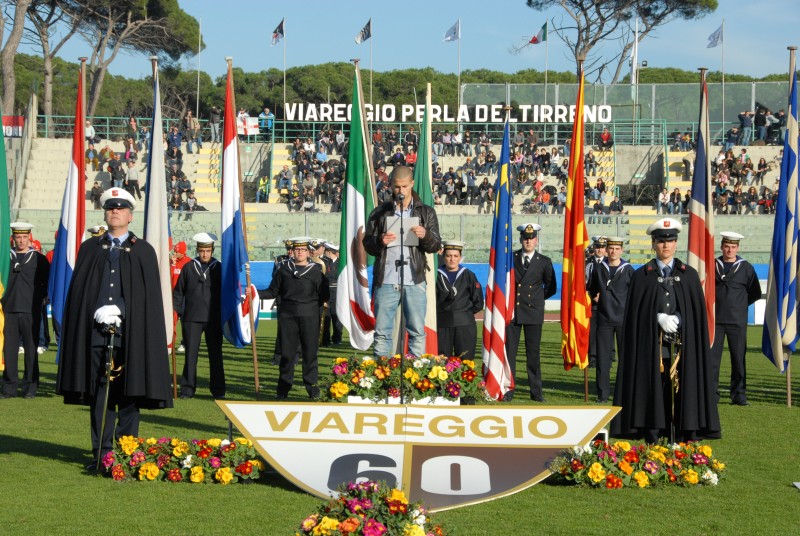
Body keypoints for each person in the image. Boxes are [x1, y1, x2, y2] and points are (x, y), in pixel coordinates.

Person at [56, 188, 172, 470]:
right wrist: (96, 310)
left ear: (130, 216)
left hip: (131, 335)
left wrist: (122, 308)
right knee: (100, 394)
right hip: (97, 335)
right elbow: (81, 294)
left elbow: (147, 299)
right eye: (110, 209)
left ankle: (126, 451)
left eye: (120, 209)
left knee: (130, 394)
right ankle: (101, 452)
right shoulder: (90, 248)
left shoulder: (143, 250)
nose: (115, 212)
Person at [611, 218, 721, 443]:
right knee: (654, 389)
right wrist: (656, 317)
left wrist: (680, 318)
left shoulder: (688, 274)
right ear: (653, 244)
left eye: (670, 241)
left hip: (683, 346)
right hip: (653, 348)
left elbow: (696, 313)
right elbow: (634, 315)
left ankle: (682, 436)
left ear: (676, 244)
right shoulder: (642, 276)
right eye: (661, 241)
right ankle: (652, 435)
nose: (666, 245)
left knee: (684, 390)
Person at [363, 165, 442, 358]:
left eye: (404, 186)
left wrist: (425, 235)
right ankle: (381, 376)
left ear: (412, 184)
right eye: (397, 187)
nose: (400, 191)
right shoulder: (380, 213)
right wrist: (380, 241)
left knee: (416, 332)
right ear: (390, 186)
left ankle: (415, 376)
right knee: (382, 332)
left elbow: (435, 245)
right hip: (387, 279)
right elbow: (368, 245)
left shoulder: (426, 212)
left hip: (414, 279)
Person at [255, 239, 329, 399]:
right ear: (293, 251)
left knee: (310, 354)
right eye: (297, 250)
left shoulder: (316, 272)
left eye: (303, 249)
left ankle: (312, 387)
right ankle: (283, 388)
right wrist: (254, 292)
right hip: (288, 317)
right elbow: (273, 291)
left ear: (309, 252)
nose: (300, 252)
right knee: (287, 355)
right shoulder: (283, 270)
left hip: (309, 317)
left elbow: (324, 295)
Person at [504, 223, 557, 402]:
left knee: (533, 354)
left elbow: (551, 287)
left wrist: (536, 299)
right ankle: (508, 390)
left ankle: (536, 392)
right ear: (520, 239)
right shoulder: (511, 258)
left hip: (533, 312)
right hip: (514, 311)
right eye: (525, 238)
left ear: (536, 240)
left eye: (531, 238)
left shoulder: (544, 261)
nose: (528, 241)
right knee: (510, 353)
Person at [709, 232, 761, 406]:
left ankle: (738, 395)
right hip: (715, 321)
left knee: (738, 360)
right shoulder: (711, 265)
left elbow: (755, 292)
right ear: (722, 246)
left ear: (737, 248)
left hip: (737, 322)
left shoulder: (746, 268)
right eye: (726, 246)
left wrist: (739, 306)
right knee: (712, 360)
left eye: (733, 247)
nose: (729, 250)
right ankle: (711, 395)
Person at [172, 233, 224, 399]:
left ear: (212, 251)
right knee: (191, 355)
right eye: (202, 251)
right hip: (191, 319)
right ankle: (187, 389)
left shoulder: (219, 268)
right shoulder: (188, 267)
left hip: (213, 319)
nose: (205, 254)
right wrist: (178, 313)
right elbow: (178, 293)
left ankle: (218, 390)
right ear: (198, 250)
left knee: (215, 355)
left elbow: (227, 292)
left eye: (208, 251)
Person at [2, 222, 49, 399]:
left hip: (31, 311)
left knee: (31, 350)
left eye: (24, 237)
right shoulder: (6, 259)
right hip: (9, 310)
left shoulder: (39, 259)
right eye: (17, 237)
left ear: (29, 237)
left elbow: (46, 283)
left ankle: (30, 387)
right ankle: (9, 387)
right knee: (10, 350)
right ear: (12, 238)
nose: (21, 241)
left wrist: (40, 300)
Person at [588, 237, 633, 403]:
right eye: (611, 248)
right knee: (603, 358)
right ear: (606, 250)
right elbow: (591, 288)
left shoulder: (628, 270)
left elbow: (633, 294)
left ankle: (624, 392)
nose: (613, 251)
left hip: (623, 320)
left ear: (621, 250)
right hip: (604, 320)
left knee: (625, 358)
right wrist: (595, 297)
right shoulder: (599, 268)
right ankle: (602, 394)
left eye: (616, 248)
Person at [435, 241, 484, 361]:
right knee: (441, 363)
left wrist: (464, 313)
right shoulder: (436, 275)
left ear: (460, 257)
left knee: (465, 362)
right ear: (443, 256)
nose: (452, 259)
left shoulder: (468, 275)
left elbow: (478, 301)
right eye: (448, 255)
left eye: (455, 256)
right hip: (442, 324)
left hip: (464, 325)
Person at [585, 236, 607, 368]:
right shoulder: (587, 263)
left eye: (602, 247)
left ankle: (608, 356)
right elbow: (584, 283)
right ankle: (592, 357)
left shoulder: (610, 262)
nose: (600, 249)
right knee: (592, 333)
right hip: (591, 302)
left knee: (607, 332)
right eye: (597, 246)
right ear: (593, 247)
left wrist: (603, 295)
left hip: (607, 303)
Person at [321, 242, 343, 346]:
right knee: (326, 318)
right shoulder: (324, 263)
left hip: (338, 294)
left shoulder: (341, 264)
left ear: (329, 252)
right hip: (326, 293)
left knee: (337, 318)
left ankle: (337, 339)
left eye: (326, 252)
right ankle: (325, 340)